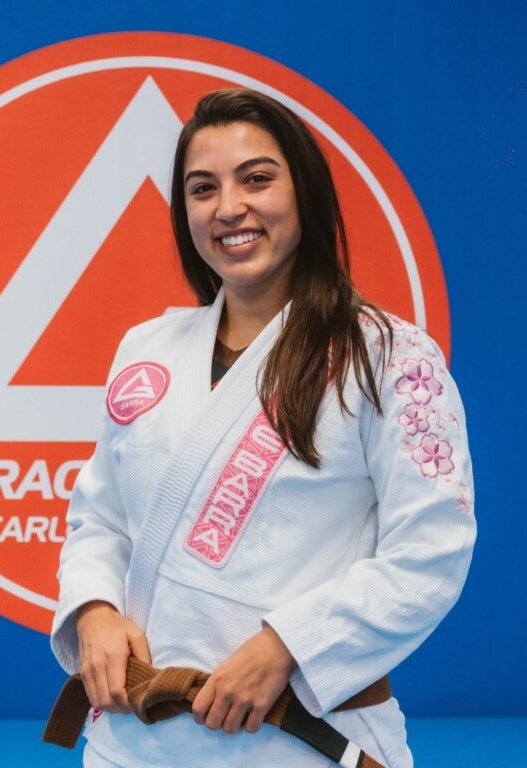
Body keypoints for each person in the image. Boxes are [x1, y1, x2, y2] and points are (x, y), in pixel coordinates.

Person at [50, 89, 475, 768]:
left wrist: (289, 645)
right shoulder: (146, 350)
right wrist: (95, 609)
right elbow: (99, 519)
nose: (228, 208)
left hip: (298, 738)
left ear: (304, 192)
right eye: (202, 188)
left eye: (257, 178)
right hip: (137, 740)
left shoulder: (389, 356)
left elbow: (432, 548)